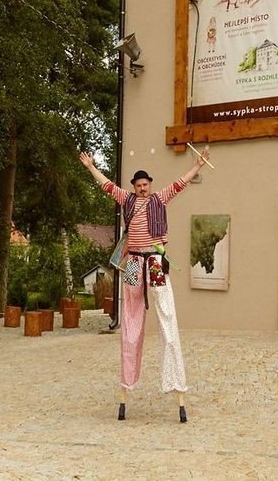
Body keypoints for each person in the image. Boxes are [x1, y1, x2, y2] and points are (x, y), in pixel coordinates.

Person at [78, 149, 210, 423]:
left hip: (155, 261)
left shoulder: (160, 199)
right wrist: (91, 166)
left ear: (150, 184)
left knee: (166, 313)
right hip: (134, 261)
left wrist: (196, 165)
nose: (141, 189)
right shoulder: (126, 200)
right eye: (138, 186)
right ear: (134, 187)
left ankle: (176, 383)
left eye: (144, 185)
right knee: (130, 320)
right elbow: (106, 185)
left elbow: (180, 183)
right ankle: (127, 384)